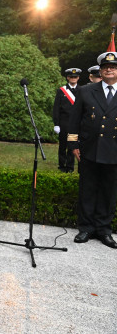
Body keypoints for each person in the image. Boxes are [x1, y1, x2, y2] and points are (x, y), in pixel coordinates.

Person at [68, 51, 117, 249]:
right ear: (101, 70)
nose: (109, 70)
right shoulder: (86, 91)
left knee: (109, 191)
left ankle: (104, 230)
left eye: (113, 67)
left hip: (114, 151)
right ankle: (86, 228)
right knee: (87, 190)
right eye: (106, 67)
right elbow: (74, 120)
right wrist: (73, 144)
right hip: (89, 149)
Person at [52, 68, 81, 172]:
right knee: (63, 145)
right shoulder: (61, 91)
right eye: (71, 77)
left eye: (75, 77)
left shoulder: (81, 90)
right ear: (68, 78)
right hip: (64, 123)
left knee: (72, 145)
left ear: (78, 78)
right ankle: (62, 166)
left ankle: (70, 166)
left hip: (76, 124)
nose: (73, 78)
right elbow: (56, 108)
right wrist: (56, 124)